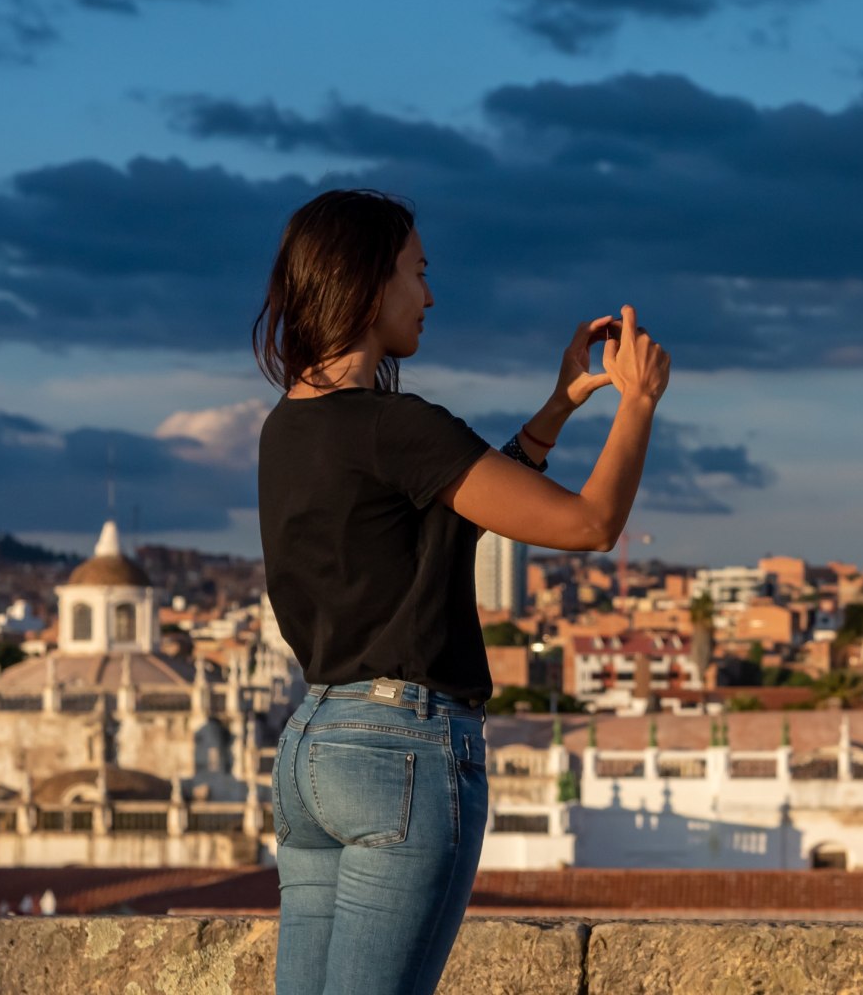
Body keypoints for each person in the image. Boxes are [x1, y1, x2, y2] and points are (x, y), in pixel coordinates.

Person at [253, 189, 668, 994]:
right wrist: (639, 402)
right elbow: (589, 525)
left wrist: (558, 407)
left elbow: (453, 516)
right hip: (400, 750)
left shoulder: (290, 427)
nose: (430, 295)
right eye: (418, 271)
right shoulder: (395, 426)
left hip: (315, 745)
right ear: (370, 283)